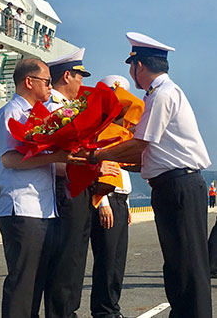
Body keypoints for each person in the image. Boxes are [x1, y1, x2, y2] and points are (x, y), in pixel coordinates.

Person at [84, 32, 212, 318]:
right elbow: (149, 155)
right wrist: (120, 162)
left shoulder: (162, 95)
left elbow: (141, 144)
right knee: (177, 264)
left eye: (132, 67)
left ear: (138, 66)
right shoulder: (158, 94)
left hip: (179, 185)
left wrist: (97, 155)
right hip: (171, 185)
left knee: (189, 265)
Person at [0, 58, 73, 318]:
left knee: (38, 283)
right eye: (47, 82)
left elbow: (47, 165)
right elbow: (10, 159)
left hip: (44, 210)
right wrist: (54, 157)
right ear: (29, 81)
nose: (51, 87)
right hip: (22, 208)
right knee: (23, 284)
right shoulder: (11, 114)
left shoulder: (42, 118)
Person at [45, 47, 94, 318]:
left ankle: (67, 311)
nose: (81, 83)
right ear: (66, 76)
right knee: (68, 259)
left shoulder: (67, 108)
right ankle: (62, 313)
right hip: (66, 188)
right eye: (79, 76)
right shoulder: (54, 109)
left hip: (77, 188)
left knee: (75, 257)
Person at [90, 74, 133, 318]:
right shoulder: (100, 130)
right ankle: (104, 311)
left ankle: (112, 308)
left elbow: (121, 172)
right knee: (106, 259)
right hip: (106, 199)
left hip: (120, 199)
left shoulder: (119, 130)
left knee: (117, 260)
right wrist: (103, 203)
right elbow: (100, 170)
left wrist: (124, 203)